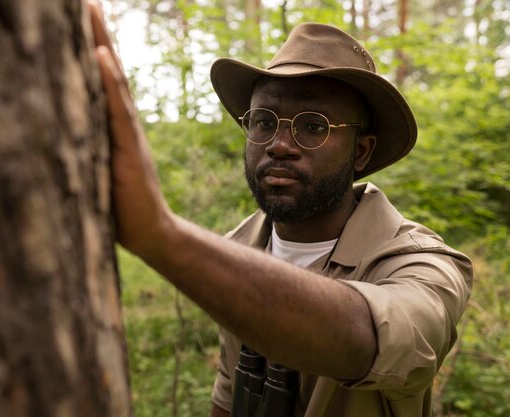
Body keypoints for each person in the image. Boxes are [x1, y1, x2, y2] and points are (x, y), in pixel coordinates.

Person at [89, 2, 473, 416]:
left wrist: (162, 236)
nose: (279, 144)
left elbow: (372, 338)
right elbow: (230, 395)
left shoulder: (422, 263)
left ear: (360, 152)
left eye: (313, 126)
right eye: (263, 121)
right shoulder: (239, 247)